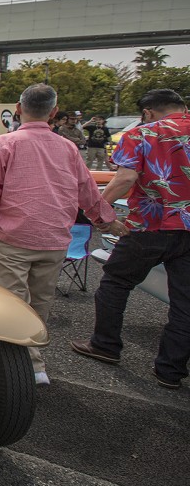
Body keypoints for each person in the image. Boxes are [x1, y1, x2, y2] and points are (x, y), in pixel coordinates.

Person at [0, 84, 117, 385]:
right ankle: (36, 364)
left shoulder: (4, 144)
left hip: (11, 238)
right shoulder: (67, 147)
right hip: (54, 238)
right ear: (54, 112)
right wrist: (106, 220)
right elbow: (86, 190)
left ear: (18, 108)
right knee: (40, 302)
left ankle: (20, 369)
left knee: (11, 303)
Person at [71, 89, 190, 390]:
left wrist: (96, 210)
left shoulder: (141, 134)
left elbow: (125, 179)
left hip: (150, 225)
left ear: (148, 112)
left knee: (115, 282)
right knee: (185, 303)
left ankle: (106, 345)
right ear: (182, 107)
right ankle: (170, 370)